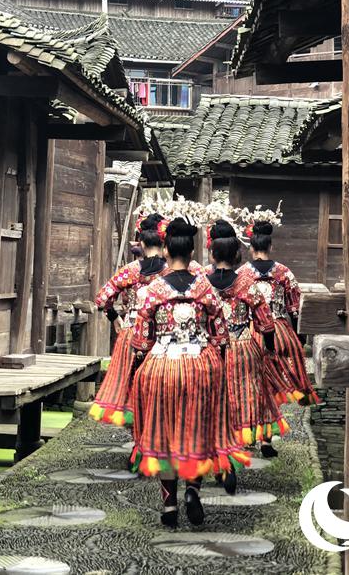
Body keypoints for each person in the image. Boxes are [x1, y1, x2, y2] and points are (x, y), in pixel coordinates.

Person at [128, 218, 250, 527]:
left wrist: (135, 369)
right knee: (197, 429)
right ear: (193, 250)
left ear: (167, 249)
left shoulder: (153, 290)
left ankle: (169, 506)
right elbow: (221, 335)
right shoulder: (204, 288)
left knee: (163, 434)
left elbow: (141, 340)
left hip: (162, 366)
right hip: (199, 366)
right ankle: (193, 491)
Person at [206, 221, 289, 477]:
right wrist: (270, 349)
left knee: (213, 403)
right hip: (243, 348)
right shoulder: (246, 285)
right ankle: (236, 450)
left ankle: (218, 457)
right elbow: (266, 323)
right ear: (236, 255)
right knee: (241, 401)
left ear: (211, 254)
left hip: (210, 351)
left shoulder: (202, 286)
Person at [89, 213, 169, 427]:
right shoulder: (169, 272)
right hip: (161, 335)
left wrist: (114, 317)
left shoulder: (131, 271)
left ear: (141, 243)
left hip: (132, 330)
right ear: (163, 241)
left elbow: (102, 297)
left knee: (131, 382)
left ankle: (137, 431)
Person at [236, 221, 320, 406]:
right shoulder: (284, 272)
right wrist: (299, 337)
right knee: (285, 362)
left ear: (251, 248)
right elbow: (295, 309)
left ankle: (258, 406)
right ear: (270, 246)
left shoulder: (241, 274)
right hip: (280, 328)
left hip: (251, 330)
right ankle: (286, 397)